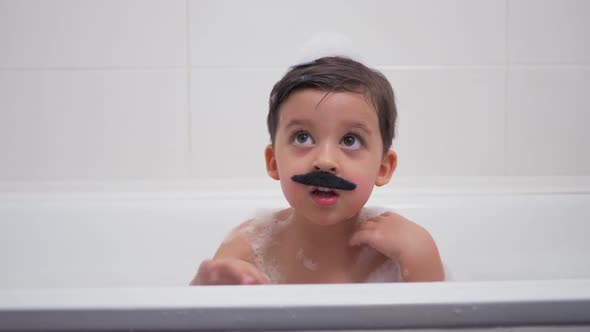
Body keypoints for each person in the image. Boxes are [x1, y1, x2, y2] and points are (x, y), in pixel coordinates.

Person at [190, 56, 444, 285]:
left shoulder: (401, 250)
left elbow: (438, 321)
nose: (324, 161)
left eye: (350, 140)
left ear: (383, 168)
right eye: (302, 137)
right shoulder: (248, 247)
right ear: (273, 162)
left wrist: (420, 256)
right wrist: (206, 288)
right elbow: (187, 316)